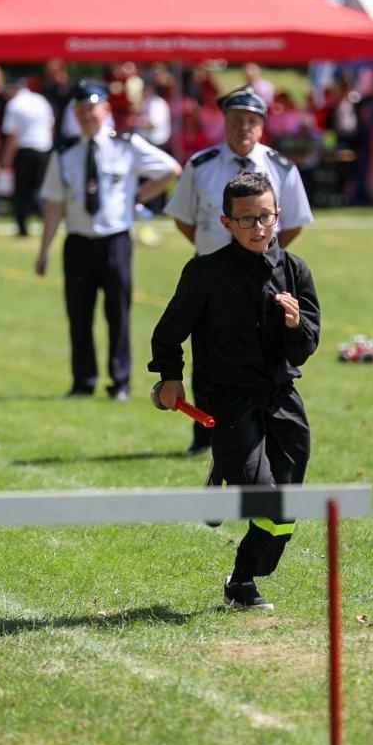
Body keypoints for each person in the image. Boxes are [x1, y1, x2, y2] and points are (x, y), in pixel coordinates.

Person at [149, 170, 320, 610]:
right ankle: (227, 465)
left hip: (282, 397)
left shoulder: (295, 271)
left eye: (265, 217)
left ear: (278, 215)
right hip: (228, 400)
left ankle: (243, 580)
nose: (257, 227)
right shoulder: (205, 273)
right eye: (245, 220)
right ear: (226, 223)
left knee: (284, 508)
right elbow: (168, 333)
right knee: (262, 492)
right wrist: (170, 377)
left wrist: (294, 323)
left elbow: (304, 349)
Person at [164, 84, 314, 455]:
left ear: (262, 126)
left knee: (261, 349)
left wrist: (264, 257)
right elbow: (184, 218)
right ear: (224, 123)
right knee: (207, 353)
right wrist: (214, 262)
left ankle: (257, 431)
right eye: (236, 120)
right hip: (212, 277)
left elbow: (293, 221)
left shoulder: (280, 167)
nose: (243, 127)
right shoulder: (201, 165)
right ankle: (205, 435)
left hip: (262, 276)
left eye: (251, 121)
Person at [35, 79, 181, 400]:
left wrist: (137, 198)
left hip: (114, 240)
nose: (88, 116)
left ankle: (120, 381)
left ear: (105, 110)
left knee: (118, 313)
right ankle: (82, 380)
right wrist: (43, 250)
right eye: (81, 110)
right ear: (74, 113)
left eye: (93, 109)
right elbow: (55, 204)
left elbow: (171, 170)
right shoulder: (64, 153)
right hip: (78, 241)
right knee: (79, 314)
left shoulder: (126, 145)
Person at [0, 76, 55, 236]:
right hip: (43, 149)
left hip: (25, 151)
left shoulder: (14, 105)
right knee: (41, 189)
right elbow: (50, 126)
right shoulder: (41, 100)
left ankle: (23, 226)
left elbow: (13, 135)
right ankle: (47, 220)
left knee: (22, 191)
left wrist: (6, 158)